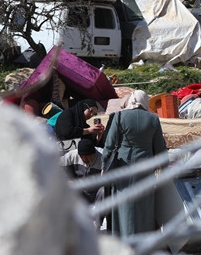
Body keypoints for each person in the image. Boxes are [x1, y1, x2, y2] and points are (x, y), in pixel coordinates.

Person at [102, 90, 168, 239]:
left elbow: (109, 144)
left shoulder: (119, 116)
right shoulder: (153, 119)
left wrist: (104, 165)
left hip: (123, 165)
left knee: (124, 205)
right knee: (144, 205)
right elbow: (160, 147)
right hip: (145, 167)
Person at [59, 137, 104, 204]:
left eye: (88, 156)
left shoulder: (103, 156)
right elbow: (57, 164)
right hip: (80, 190)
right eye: (82, 156)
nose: (84, 159)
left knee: (103, 190)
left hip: (96, 191)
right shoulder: (73, 155)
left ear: (93, 153)